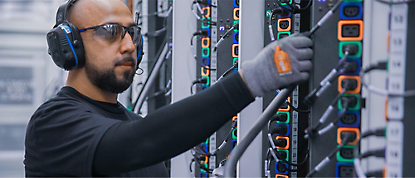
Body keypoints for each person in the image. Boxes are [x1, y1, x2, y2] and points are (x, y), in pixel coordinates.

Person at [24, 0, 313, 177]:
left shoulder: (133, 124)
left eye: (132, 32)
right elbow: (135, 143)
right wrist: (249, 81)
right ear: (69, 46)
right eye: (111, 31)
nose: (129, 45)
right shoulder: (52, 124)